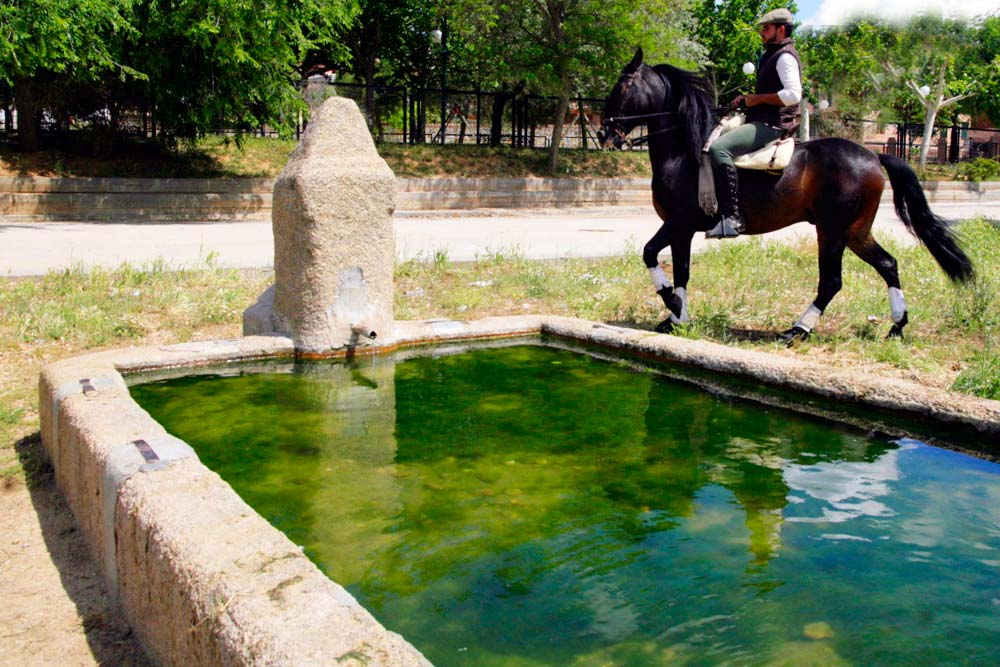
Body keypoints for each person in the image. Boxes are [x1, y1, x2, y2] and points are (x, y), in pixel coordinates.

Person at [706, 7, 802, 239]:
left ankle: (732, 217)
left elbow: (793, 94)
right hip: (761, 117)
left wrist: (757, 99)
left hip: (773, 125)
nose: (762, 33)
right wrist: (748, 100)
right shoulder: (771, 54)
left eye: (766, 29)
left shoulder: (785, 56)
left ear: (781, 29)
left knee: (719, 149)